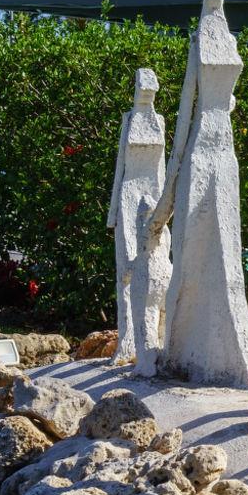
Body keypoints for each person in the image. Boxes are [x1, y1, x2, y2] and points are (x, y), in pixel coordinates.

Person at [147, 0, 248, 387]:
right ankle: (180, 347)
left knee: (227, 244)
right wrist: (166, 200)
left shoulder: (228, 37)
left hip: (225, 148)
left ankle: (227, 348)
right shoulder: (199, 39)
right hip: (200, 148)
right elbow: (184, 114)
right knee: (191, 248)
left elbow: (229, 101)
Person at [108, 67, 171, 363]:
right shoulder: (129, 120)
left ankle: (156, 341)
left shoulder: (159, 122)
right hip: (129, 193)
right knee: (127, 267)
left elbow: (162, 167)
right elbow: (121, 168)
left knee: (157, 266)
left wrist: (166, 206)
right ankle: (128, 341)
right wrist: (113, 212)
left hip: (154, 193)